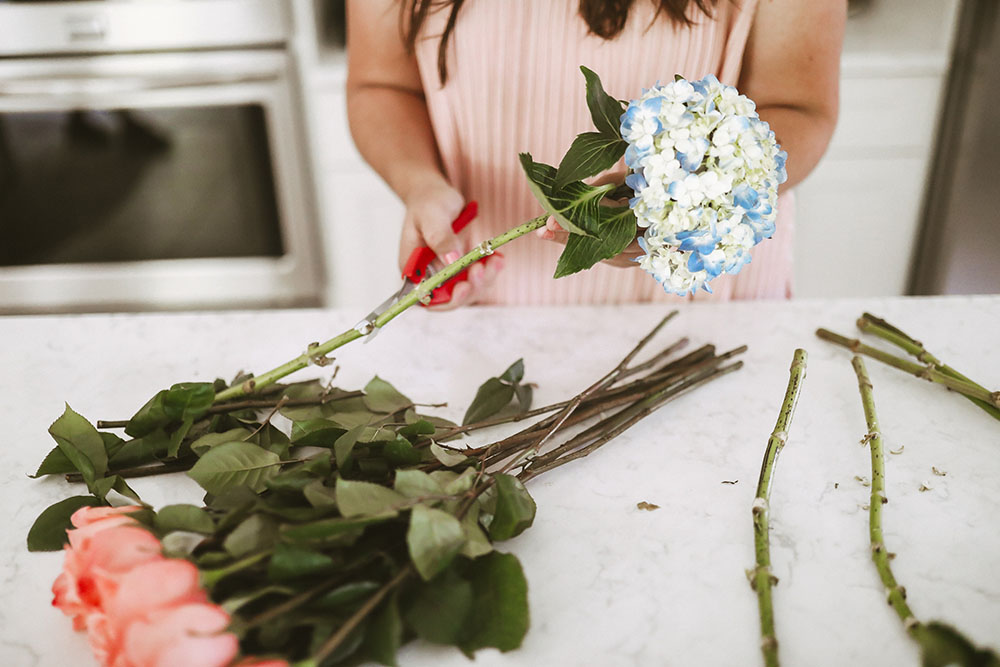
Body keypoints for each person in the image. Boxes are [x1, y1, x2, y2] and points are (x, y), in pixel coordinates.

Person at [345, 0, 845, 306]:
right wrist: (421, 183)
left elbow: (799, 107)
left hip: (704, 309)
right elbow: (381, 84)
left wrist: (677, 211)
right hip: (492, 289)